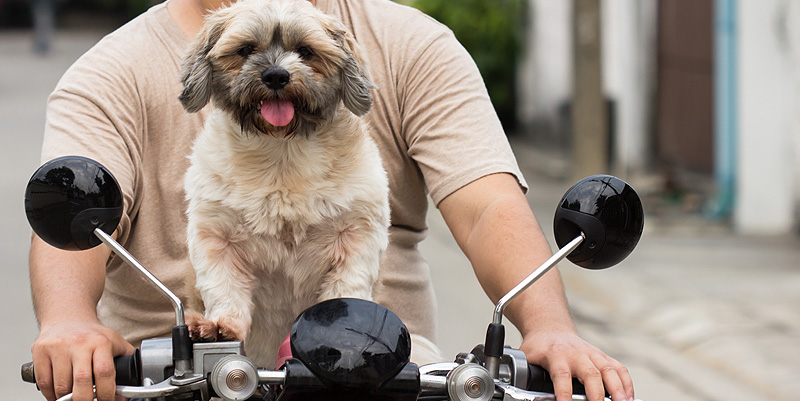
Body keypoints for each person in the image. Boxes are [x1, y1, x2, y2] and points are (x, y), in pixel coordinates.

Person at [28, 1, 635, 401]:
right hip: (179, 373)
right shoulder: (110, 72)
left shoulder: (410, 44)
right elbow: (71, 206)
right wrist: (69, 320)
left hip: (385, 375)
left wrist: (549, 328)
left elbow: (484, 205)